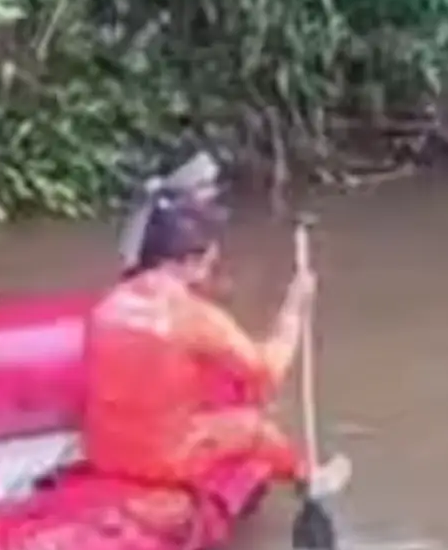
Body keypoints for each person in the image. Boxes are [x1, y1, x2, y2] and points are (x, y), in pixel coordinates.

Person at [82, 194, 333, 494]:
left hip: (102, 453)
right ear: (191, 258)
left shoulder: (108, 303)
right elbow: (267, 373)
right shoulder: (195, 317)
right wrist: (292, 311)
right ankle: (307, 478)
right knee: (256, 428)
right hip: (162, 461)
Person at [116, 151, 222, 278]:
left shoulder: (171, 205)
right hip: (153, 272)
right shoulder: (169, 214)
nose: (213, 192)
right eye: (205, 186)